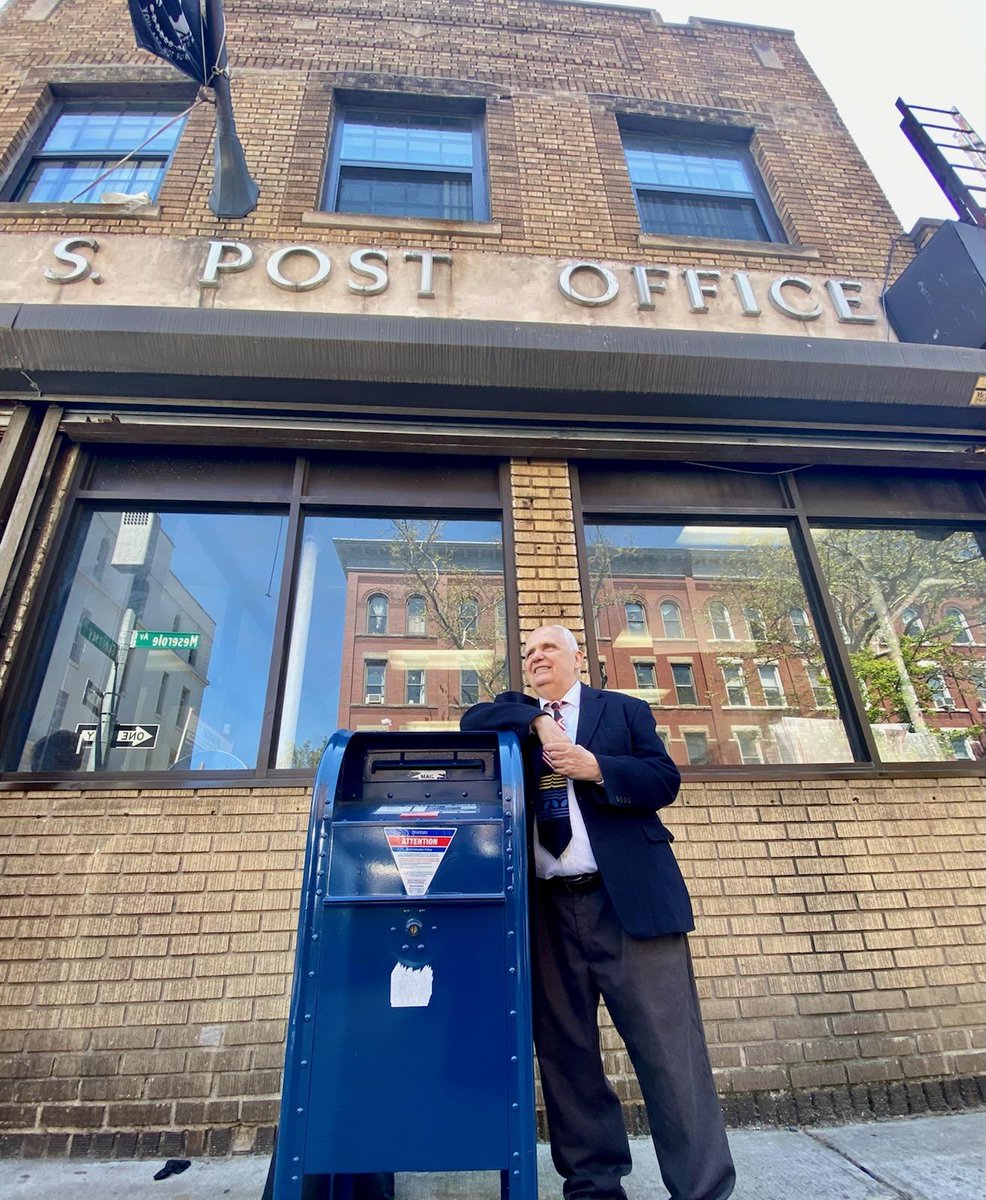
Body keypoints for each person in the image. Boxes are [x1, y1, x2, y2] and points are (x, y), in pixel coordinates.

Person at [461, 625, 734, 1200]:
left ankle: (702, 1188)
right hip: (549, 914)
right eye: (528, 650)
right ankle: (593, 1186)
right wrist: (539, 722)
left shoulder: (625, 711)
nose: (535, 656)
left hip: (629, 903)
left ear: (577, 658)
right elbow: (471, 720)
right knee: (568, 1057)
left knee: (669, 1053)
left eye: (548, 648)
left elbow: (664, 780)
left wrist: (597, 767)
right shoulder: (516, 720)